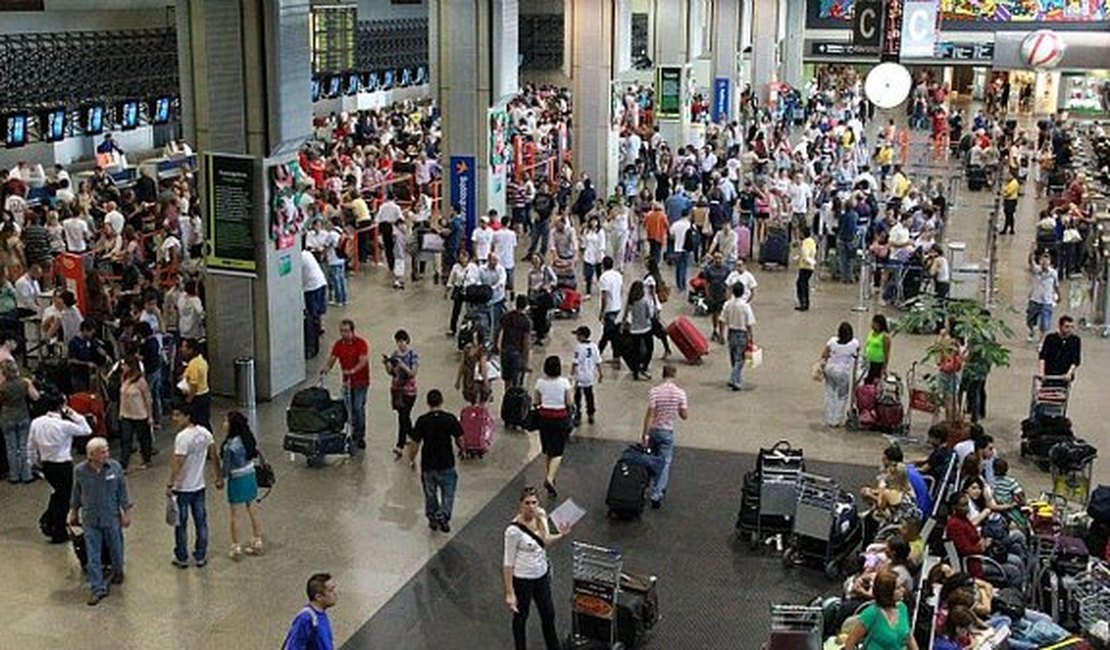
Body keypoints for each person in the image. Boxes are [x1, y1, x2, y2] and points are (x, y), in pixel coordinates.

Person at [503, 486, 572, 650]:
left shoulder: (541, 516)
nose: (531, 506)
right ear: (520, 505)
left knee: (548, 614)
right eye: (527, 503)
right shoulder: (513, 531)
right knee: (521, 617)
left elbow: (545, 540)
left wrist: (561, 535)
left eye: (534, 502)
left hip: (541, 576)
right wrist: (510, 592)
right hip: (523, 579)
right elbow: (508, 563)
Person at [69, 437, 134, 606]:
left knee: (116, 548)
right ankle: (97, 588)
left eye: (106, 450)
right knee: (93, 554)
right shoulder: (80, 471)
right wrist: (74, 511)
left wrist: (127, 512)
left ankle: (118, 570)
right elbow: (77, 492)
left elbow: (123, 491)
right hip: (90, 519)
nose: (106, 454)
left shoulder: (115, 467)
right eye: (102, 451)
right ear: (91, 455)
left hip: (111, 517)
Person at [27, 393, 92, 542]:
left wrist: (32, 462)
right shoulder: (64, 425)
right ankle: (57, 530)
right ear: (62, 406)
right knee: (64, 498)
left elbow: (30, 445)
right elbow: (86, 429)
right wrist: (74, 414)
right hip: (63, 465)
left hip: (46, 465)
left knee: (58, 494)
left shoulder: (36, 422)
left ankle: (49, 520)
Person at [166, 399, 222, 568]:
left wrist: (170, 483)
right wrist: (218, 476)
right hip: (199, 486)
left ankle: (182, 557)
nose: (174, 419)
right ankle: (200, 555)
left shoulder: (182, 438)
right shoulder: (205, 433)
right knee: (201, 522)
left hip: (182, 488)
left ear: (187, 417)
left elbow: (178, 461)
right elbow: (214, 455)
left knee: (181, 524)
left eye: (178, 415)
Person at [406, 389, 463, 533]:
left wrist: (412, 459)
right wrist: (462, 449)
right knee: (448, 493)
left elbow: (415, 443)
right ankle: (443, 514)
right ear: (441, 401)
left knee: (430, 494)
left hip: (428, 466)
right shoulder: (450, 419)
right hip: (447, 464)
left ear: (428, 403)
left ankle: (433, 517)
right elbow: (460, 439)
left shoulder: (422, 421)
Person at [642, 364, 689, 509]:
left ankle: (644, 487)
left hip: (654, 430)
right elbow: (684, 415)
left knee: (649, 461)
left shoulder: (654, 392)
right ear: (674, 375)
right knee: (665, 463)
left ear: (663, 375)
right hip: (667, 432)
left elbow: (650, 414)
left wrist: (645, 434)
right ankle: (657, 493)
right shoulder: (680, 393)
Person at [219, 411, 264, 559]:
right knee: (254, 510)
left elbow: (225, 470)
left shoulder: (229, 446)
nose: (223, 424)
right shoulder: (247, 439)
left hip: (237, 479)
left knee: (235, 515)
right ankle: (257, 541)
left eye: (226, 421)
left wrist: (219, 479)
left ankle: (236, 546)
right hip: (250, 476)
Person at [321, 319, 371, 450]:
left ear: (352, 331)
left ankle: (359, 436)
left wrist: (353, 370)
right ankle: (352, 432)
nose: (343, 334)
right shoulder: (339, 344)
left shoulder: (360, 343)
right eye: (341, 331)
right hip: (347, 382)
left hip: (360, 382)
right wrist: (326, 368)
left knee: (358, 408)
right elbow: (332, 358)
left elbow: (363, 360)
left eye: (346, 331)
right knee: (348, 408)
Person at [842, 570, 918, 650]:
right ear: (887, 592)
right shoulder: (872, 613)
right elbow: (850, 642)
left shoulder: (902, 608)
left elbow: (908, 636)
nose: (903, 590)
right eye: (898, 588)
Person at [533, 355, 572, 497]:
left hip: (544, 418)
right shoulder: (564, 383)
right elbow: (570, 401)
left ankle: (551, 476)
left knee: (549, 449)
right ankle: (549, 478)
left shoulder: (540, 382)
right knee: (558, 452)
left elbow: (536, 401)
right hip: (560, 418)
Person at [0, 359, 39, 483]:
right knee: (24, 447)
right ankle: (27, 475)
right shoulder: (24, 382)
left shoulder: (2, 387)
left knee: (11, 448)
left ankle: (14, 476)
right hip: (23, 415)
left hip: (7, 417)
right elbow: (36, 397)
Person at [384, 329, 419, 460]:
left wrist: (402, 365)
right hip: (397, 390)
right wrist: (388, 364)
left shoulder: (413, 355)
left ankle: (400, 444)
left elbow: (412, 373)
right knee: (403, 415)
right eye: (398, 341)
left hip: (409, 391)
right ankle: (413, 434)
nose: (400, 344)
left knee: (403, 416)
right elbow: (392, 373)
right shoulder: (395, 354)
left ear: (407, 341)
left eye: (403, 341)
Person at [282, 573, 339, 650]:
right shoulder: (306, 618)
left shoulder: (322, 614)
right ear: (318, 597)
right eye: (331, 590)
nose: (335, 593)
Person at [820, 321, 860, 427]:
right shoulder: (854, 343)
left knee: (830, 393)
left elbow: (824, 355)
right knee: (842, 396)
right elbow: (857, 355)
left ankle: (829, 419)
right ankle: (837, 420)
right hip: (843, 373)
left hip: (830, 369)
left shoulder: (832, 341)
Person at [117, 356, 153, 471]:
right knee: (126, 439)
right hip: (126, 414)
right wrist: (120, 412)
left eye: (125, 365)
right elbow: (122, 397)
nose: (123, 367)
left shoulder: (141, 381)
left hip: (140, 414)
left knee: (143, 438)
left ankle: (146, 458)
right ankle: (123, 464)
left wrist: (150, 416)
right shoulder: (124, 379)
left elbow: (147, 399)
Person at [722, 283, 755, 391]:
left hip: (731, 332)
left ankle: (736, 377)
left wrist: (721, 334)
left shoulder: (727, 304)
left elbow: (722, 320)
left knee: (733, 357)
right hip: (742, 333)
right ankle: (735, 380)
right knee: (740, 359)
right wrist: (751, 337)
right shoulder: (745, 306)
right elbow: (749, 323)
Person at [621, 280, 655, 380]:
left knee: (635, 352)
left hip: (634, 329)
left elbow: (626, 314)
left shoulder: (631, 300)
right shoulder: (645, 300)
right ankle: (644, 367)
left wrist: (623, 326)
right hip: (646, 328)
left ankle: (636, 373)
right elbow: (649, 315)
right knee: (649, 349)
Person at [498, 295, 532, 389]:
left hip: (505, 351)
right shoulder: (526, 321)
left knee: (507, 380)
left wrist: (496, 346)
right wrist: (526, 361)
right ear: (526, 305)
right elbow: (526, 342)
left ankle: (507, 398)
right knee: (517, 382)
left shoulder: (506, 316)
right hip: (518, 353)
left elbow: (498, 331)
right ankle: (515, 401)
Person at [570, 326, 602, 426]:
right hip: (589, 376)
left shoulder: (578, 347)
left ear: (582, 336)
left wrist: (571, 374)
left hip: (580, 376)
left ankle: (578, 415)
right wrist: (601, 373)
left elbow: (575, 362)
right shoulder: (594, 346)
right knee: (589, 396)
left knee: (577, 397)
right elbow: (598, 361)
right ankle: (591, 414)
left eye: (578, 335)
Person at [595, 256, 624, 363]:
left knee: (609, 334)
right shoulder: (618, 275)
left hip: (609, 309)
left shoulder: (603, 277)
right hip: (617, 307)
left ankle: (600, 354)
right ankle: (604, 353)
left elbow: (604, 296)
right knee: (610, 333)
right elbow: (621, 290)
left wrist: (602, 312)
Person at [1026, 252, 1058, 344]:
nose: (1044, 263)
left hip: (1047, 301)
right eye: (1042, 261)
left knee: (1045, 323)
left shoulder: (1053, 273)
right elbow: (1030, 262)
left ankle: (1041, 341)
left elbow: (1056, 285)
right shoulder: (1036, 270)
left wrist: (1058, 295)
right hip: (1035, 299)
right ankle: (1032, 330)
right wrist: (1031, 252)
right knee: (1030, 319)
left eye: (1046, 261)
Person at [1039, 314, 1080, 383]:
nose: (1069, 330)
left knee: (1061, 391)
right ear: (1060, 326)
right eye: (1067, 327)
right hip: (1049, 373)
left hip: (1064, 375)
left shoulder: (1075, 340)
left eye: (1071, 327)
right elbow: (1043, 357)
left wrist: (1069, 373)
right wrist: (1041, 372)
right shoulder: (1050, 338)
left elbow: (1075, 360)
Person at [181, 337, 211, 431]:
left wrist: (188, 400)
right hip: (205, 394)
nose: (182, 349)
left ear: (191, 349)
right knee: (204, 421)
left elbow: (194, 386)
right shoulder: (201, 360)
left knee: (200, 423)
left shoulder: (194, 364)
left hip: (197, 398)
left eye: (184, 347)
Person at [456, 327, 491, 405]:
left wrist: (458, 380)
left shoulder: (467, 348)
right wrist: (486, 382)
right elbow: (483, 367)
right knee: (480, 402)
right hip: (477, 379)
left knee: (473, 401)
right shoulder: (482, 350)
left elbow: (462, 364)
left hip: (469, 378)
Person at [864, 314, 892, 384]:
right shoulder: (871, 333)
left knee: (874, 384)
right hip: (868, 362)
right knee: (867, 382)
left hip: (878, 364)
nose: (872, 324)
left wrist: (884, 368)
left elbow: (887, 354)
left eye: (875, 323)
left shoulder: (885, 336)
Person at [796, 225, 817, 311]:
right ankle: (806, 303)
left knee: (801, 285)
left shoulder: (805, 243)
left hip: (805, 267)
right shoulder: (812, 241)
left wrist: (805, 260)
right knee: (804, 285)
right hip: (810, 268)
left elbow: (805, 254)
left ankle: (803, 303)